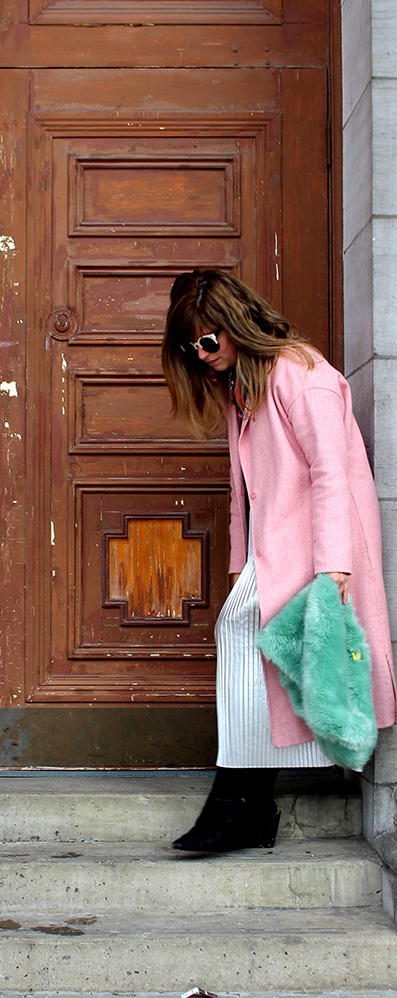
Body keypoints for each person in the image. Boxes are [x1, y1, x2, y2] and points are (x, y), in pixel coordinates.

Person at [161, 269, 397, 854]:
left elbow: (331, 472)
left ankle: (236, 806)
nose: (201, 355)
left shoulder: (300, 373)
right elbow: (240, 492)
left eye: (208, 341)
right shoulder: (243, 389)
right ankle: (246, 807)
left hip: (312, 549)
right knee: (248, 660)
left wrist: (335, 566)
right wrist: (238, 566)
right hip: (272, 551)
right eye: (191, 348)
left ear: (237, 323)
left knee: (256, 661)